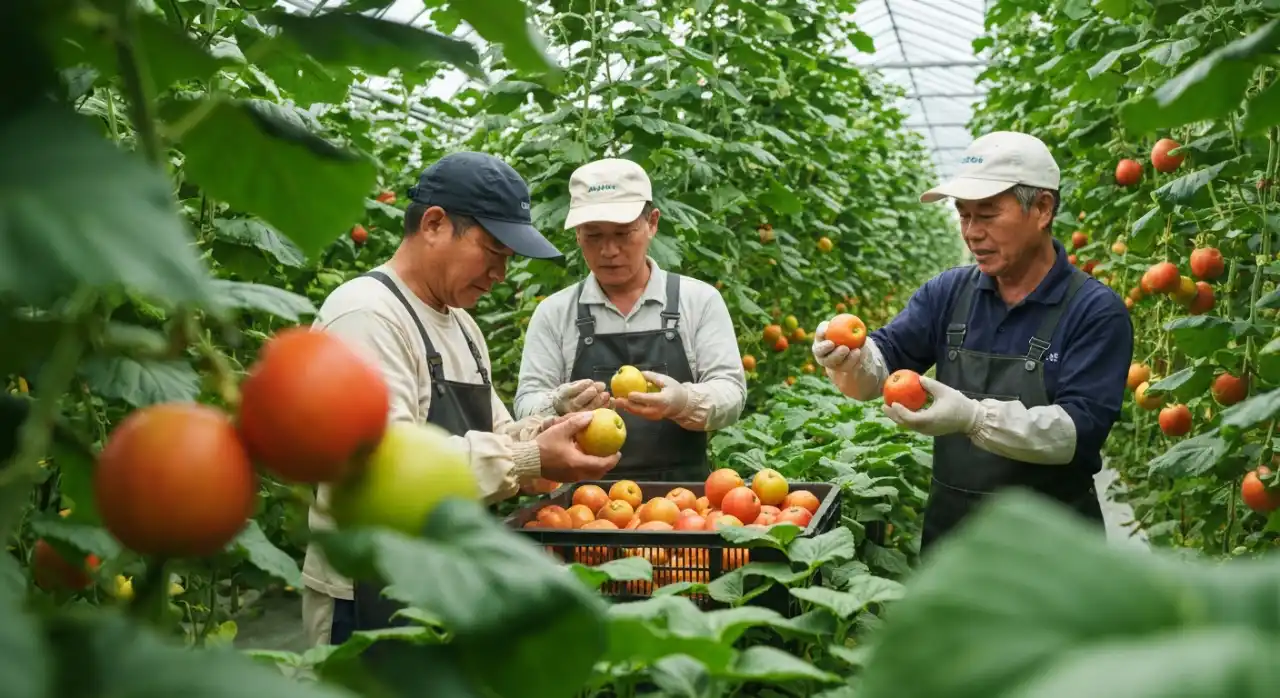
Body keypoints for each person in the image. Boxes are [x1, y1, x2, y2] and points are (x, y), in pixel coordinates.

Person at [300, 152, 621, 649]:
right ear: (434, 224)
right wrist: (530, 457)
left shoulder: (463, 326)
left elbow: (497, 433)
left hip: (445, 580)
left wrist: (552, 430)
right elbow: (383, 469)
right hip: (369, 591)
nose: (501, 272)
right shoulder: (366, 315)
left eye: (508, 259)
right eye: (493, 251)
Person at [811, 131, 1132, 554]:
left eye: (988, 215)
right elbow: (883, 362)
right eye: (963, 216)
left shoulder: (1094, 310)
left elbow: (1078, 432)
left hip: (1054, 550)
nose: (972, 233)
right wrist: (850, 358)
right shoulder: (948, 293)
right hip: (954, 539)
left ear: (1042, 209)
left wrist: (974, 418)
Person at [513, 158, 747, 483]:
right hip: (583, 502)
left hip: (684, 503)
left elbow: (731, 393)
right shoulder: (554, 313)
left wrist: (682, 402)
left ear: (652, 223)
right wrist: (557, 404)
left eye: (623, 233)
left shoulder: (699, 301)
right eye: (593, 235)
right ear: (577, 234)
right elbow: (525, 404)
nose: (609, 250)